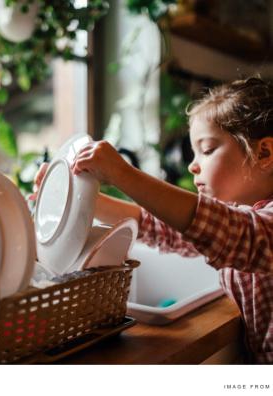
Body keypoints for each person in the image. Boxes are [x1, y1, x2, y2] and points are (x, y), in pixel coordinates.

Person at [31, 77, 273, 364]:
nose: (192, 165)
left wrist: (122, 173)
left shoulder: (251, 227)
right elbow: (162, 227)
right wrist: (78, 197)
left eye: (207, 150)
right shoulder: (237, 212)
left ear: (264, 153)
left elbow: (237, 233)